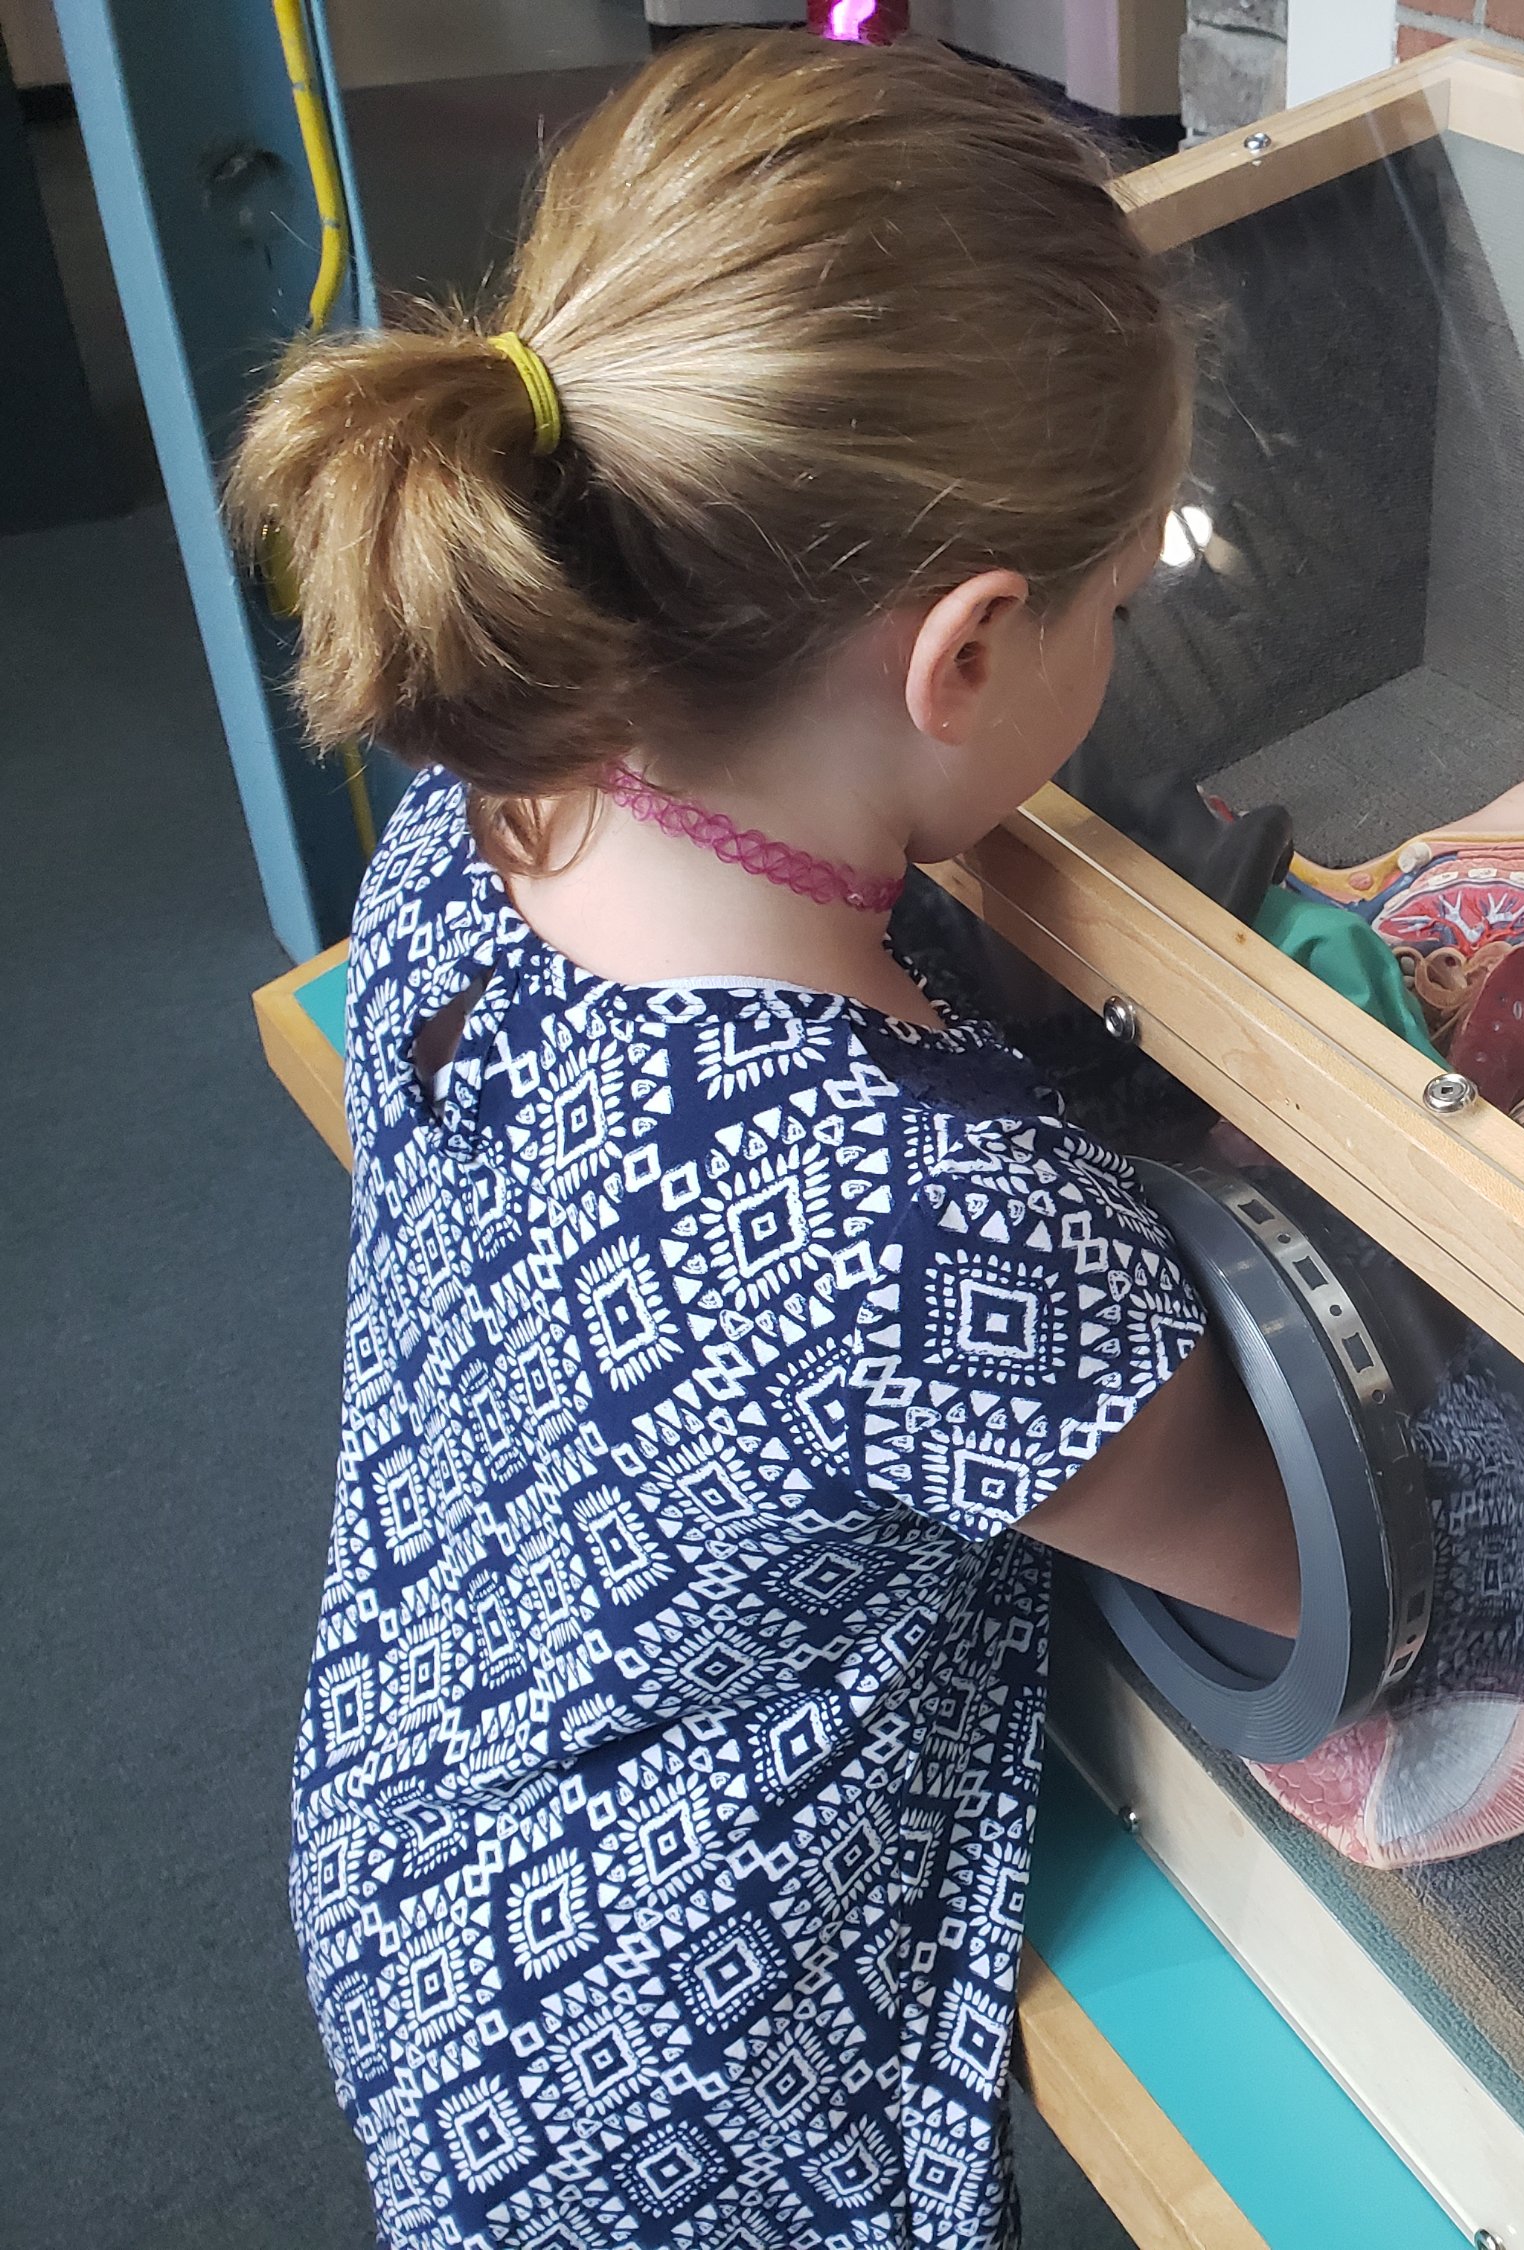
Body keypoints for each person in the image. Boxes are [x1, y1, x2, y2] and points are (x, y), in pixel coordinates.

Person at [224, 33, 1299, 2246]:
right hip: (689, 2102)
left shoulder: (489, 798)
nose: (1123, 636)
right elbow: (1300, 1564)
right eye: (1119, 605)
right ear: (971, 648)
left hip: (429, 1854)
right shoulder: (920, 1224)